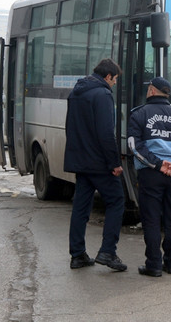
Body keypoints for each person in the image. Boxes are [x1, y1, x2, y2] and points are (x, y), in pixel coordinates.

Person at [127, 77, 171, 277]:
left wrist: (158, 165)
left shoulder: (139, 114)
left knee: (151, 220)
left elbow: (134, 146)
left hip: (151, 174)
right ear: (167, 93)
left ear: (151, 90)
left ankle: (154, 265)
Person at [64, 58, 127, 271]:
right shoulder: (102, 94)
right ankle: (108, 251)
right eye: (115, 79)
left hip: (81, 161)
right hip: (99, 163)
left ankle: (77, 254)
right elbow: (106, 133)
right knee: (117, 200)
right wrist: (114, 162)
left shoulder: (77, 92)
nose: (115, 83)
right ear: (108, 76)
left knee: (81, 207)